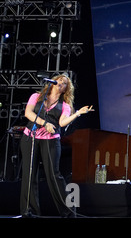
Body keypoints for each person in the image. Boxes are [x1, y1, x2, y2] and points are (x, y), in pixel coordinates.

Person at [20, 74, 94, 218]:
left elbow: (62, 123)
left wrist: (78, 113)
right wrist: (44, 123)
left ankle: (68, 211)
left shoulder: (64, 105)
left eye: (64, 82)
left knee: (53, 175)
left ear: (66, 88)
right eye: (59, 79)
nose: (61, 82)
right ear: (52, 82)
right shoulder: (36, 97)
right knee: (29, 174)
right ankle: (29, 211)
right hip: (30, 137)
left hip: (50, 140)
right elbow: (28, 113)